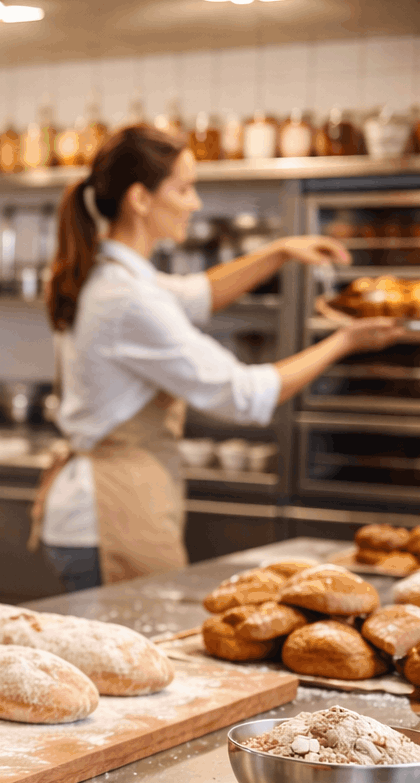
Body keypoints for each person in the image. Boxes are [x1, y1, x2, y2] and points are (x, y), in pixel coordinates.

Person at [32, 125, 408, 590]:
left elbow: (196, 294)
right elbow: (244, 395)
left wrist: (279, 252)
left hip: (102, 508)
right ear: (140, 199)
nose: (195, 204)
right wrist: (345, 342)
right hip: (108, 519)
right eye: (184, 189)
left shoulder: (114, 277)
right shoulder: (127, 298)